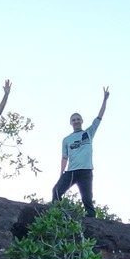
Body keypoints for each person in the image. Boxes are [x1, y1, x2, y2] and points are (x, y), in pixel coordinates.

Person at [52, 87, 109, 217]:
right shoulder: (66, 139)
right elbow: (64, 157)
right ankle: (56, 215)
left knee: (87, 199)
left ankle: (92, 223)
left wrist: (104, 100)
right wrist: (61, 174)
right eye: (74, 120)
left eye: (78, 119)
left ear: (82, 121)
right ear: (70, 123)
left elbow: (99, 117)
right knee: (56, 191)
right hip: (71, 171)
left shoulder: (88, 133)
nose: (76, 121)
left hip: (86, 171)